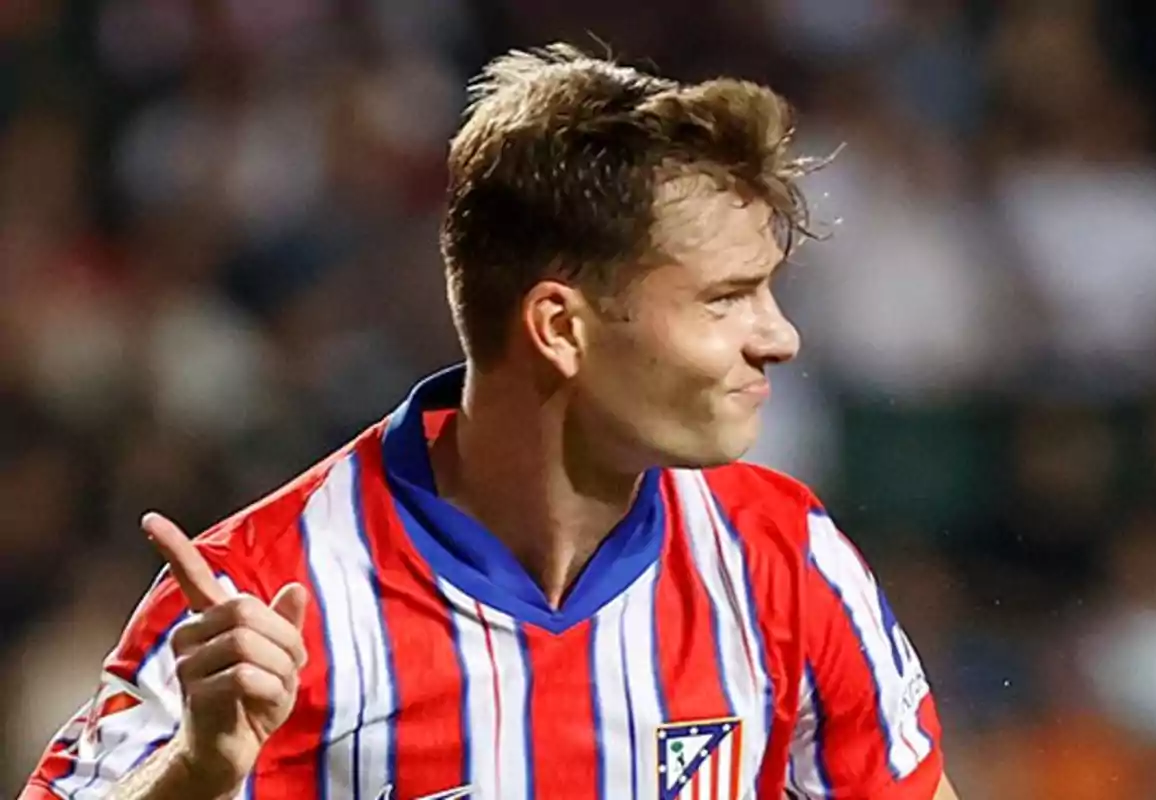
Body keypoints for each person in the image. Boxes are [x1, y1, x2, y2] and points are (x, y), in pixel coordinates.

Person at [21, 44, 958, 800]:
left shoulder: (784, 561)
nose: (780, 337)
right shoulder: (264, 592)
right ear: (560, 326)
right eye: (726, 298)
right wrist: (197, 771)